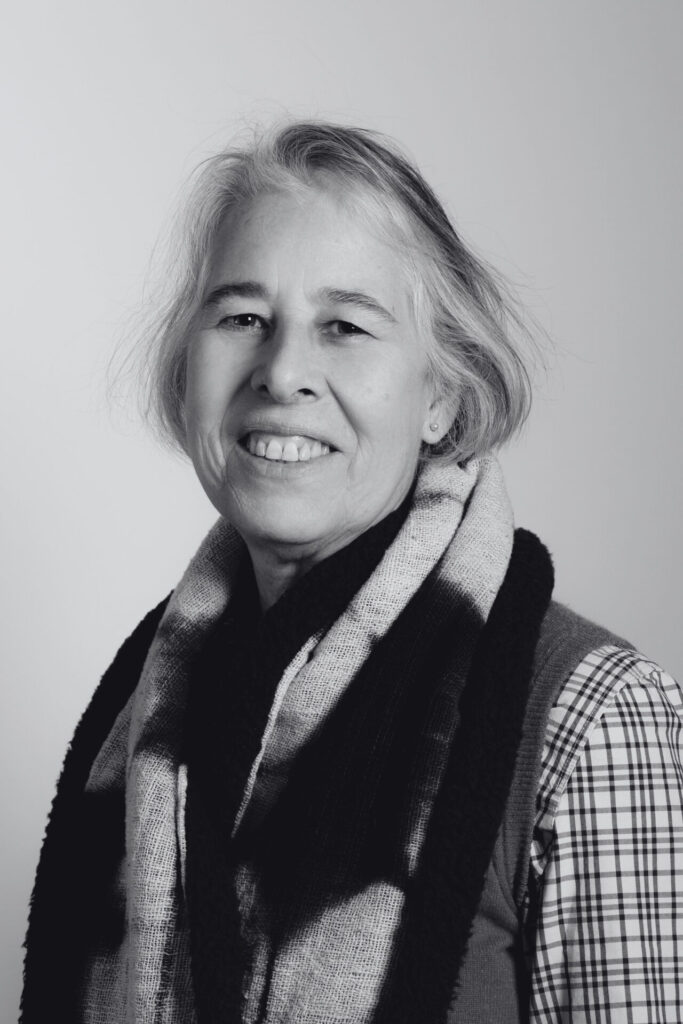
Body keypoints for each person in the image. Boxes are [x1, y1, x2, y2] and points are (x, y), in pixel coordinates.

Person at [20, 121, 682, 1024]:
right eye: (243, 317)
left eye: (345, 326)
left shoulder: (593, 721)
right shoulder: (145, 721)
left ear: (442, 394)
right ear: (187, 372)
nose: (283, 370)